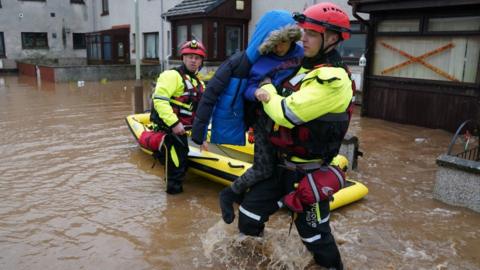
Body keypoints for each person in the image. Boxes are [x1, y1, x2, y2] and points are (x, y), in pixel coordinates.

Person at [236, 3, 353, 269]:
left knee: (316, 237)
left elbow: (286, 114)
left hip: (309, 174)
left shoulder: (333, 79)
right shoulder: (304, 68)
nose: (303, 38)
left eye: (311, 33)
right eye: (303, 31)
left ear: (332, 38)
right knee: (248, 216)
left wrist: (266, 89)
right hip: (279, 167)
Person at [190, 11, 303, 222]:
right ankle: (230, 193)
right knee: (263, 168)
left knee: (278, 169)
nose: (279, 48)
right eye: (275, 43)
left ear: (292, 39)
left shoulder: (302, 54)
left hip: (289, 119)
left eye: (283, 43)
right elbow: (222, 92)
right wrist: (256, 93)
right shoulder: (256, 61)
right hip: (262, 120)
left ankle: (252, 199)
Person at [150, 40, 207, 195]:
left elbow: (200, 112)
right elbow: (160, 101)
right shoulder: (171, 76)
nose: (193, 60)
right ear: (183, 58)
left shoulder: (199, 82)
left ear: (201, 61)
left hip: (184, 131)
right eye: (190, 56)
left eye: (197, 57)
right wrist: (174, 123)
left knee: (181, 165)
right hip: (170, 131)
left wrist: (201, 137)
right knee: (175, 173)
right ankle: (174, 207)